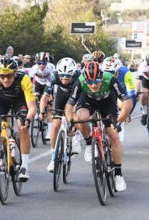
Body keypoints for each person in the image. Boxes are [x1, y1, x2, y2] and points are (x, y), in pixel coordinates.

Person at [65, 60, 127, 191]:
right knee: (81, 118)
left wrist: (119, 120)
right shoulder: (81, 80)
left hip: (107, 104)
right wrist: (70, 121)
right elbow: (69, 105)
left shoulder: (110, 79)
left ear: (102, 76)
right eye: (90, 83)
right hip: (88, 102)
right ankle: (88, 143)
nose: (94, 86)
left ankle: (118, 174)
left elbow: (126, 101)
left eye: (97, 82)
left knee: (114, 136)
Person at [0, 56, 36, 182]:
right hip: (1, 100)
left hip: (19, 101)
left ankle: (24, 166)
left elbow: (32, 107)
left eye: (8, 76)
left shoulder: (24, 79)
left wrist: (28, 120)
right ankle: (0, 148)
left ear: (15, 73)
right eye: (2, 76)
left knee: (22, 126)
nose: (5, 79)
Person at [44, 57, 80, 173]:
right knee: (55, 125)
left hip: (76, 97)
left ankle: (75, 139)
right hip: (61, 95)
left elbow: (78, 103)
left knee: (75, 118)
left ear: (73, 74)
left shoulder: (79, 77)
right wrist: (41, 111)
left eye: (68, 76)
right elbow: (45, 96)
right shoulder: (53, 76)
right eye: (62, 75)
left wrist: (73, 116)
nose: (64, 78)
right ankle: (53, 157)